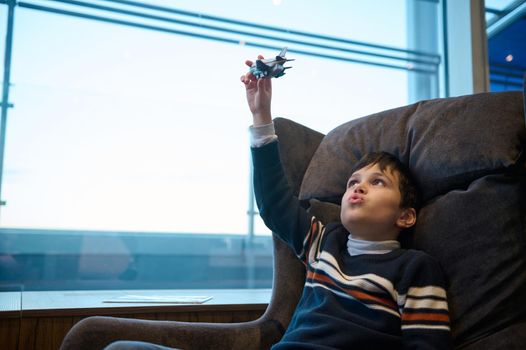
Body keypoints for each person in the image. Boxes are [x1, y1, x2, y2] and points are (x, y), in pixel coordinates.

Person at [240, 55, 452, 349]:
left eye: (377, 182)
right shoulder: (325, 243)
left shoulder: (415, 268)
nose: (359, 187)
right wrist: (261, 117)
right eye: (353, 182)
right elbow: (275, 205)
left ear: (405, 216)